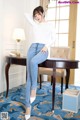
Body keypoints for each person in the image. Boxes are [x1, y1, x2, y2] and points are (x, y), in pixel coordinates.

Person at [25, 6, 56, 120]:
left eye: (38, 14)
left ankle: (34, 88)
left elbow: (53, 38)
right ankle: (28, 107)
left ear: (43, 13)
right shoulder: (35, 24)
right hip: (32, 47)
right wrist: (35, 17)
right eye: (35, 15)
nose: (36, 17)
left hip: (43, 48)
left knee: (33, 62)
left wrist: (46, 46)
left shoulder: (49, 24)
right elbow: (25, 15)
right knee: (28, 77)